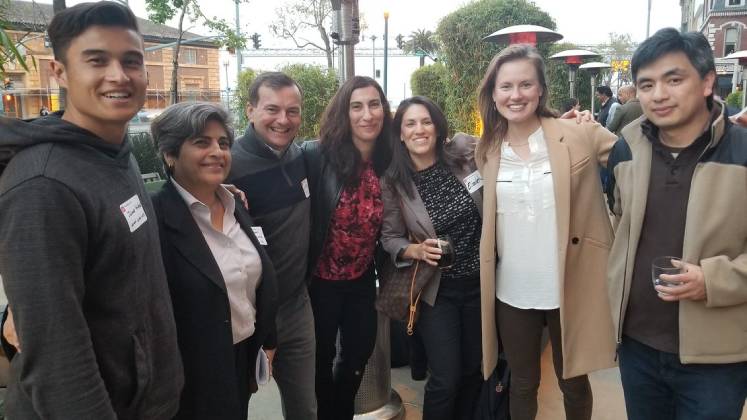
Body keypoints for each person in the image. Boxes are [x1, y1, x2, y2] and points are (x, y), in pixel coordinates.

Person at [0, 2, 183, 418]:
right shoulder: (43, 185)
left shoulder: (116, 152)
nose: (119, 76)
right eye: (97, 60)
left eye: (131, 61)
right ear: (59, 72)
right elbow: (56, 358)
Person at [606, 28, 747, 420]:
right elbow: (621, 220)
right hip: (637, 348)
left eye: (674, 79)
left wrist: (712, 280)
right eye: (646, 84)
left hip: (718, 357)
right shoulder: (625, 149)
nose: (659, 94)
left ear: (706, 82)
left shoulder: (742, 153)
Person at [475, 44, 618, 420]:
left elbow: (635, 161)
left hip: (570, 284)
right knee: (522, 383)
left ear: (540, 90)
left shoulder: (577, 132)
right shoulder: (487, 148)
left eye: (525, 84)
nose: (515, 94)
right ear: (493, 93)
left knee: (573, 381)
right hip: (513, 291)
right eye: (505, 86)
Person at [149, 102, 278, 419]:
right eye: (201, 142)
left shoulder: (236, 204)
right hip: (190, 376)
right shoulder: (155, 219)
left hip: (241, 359)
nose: (217, 151)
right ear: (170, 154)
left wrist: (268, 340)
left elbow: (255, 280)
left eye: (223, 143)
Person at [381, 96, 483, 420]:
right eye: (410, 124)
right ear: (400, 133)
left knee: (472, 370)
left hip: (481, 284)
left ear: (438, 128)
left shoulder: (464, 154)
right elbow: (390, 237)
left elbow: (506, 140)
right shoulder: (394, 182)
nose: (419, 130)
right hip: (437, 292)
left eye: (426, 121)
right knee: (446, 376)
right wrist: (415, 250)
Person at [227, 72, 317, 419]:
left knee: (304, 407)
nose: (283, 120)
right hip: (245, 313)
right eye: (272, 109)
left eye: (292, 111)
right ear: (250, 110)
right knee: (235, 406)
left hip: (296, 305)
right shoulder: (227, 165)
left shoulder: (301, 156)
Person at [303, 76, 392, 420]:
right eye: (357, 106)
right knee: (319, 362)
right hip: (319, 281)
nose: (367, 114)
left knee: (357, 356)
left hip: (360, 280)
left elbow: (437, 143)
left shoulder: (389, 160)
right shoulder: (316, 155)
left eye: (374, 105)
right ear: (344, 112)